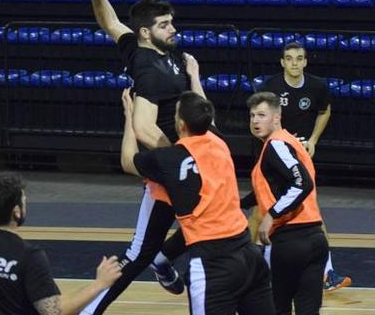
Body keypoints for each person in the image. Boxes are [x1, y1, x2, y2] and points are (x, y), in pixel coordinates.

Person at [71, 0, 207, 314]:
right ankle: (90, 310)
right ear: (147, 32)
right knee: (140, 253)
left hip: (190, 167)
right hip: (173, 174)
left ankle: (162, 262)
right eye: (165, 24)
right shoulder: (148, 71)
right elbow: (145, 129)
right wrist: (178, 161)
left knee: (202, 233)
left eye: (171, 22)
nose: (173, 29)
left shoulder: (154, 51)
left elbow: (112, 23)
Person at [120, 89, 275, 315]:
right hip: (248, 255)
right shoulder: (219, 142)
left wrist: (130, 116)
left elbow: (127, 160)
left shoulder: (169, 159)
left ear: (181, 124)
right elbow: (207, 114)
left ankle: (161, 260)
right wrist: (194, 74)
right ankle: (162, 260)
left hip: (212, 264)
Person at [0, 172, 122, 315]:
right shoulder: (28, 255)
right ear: (16, 212)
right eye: (24, 201)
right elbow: (54, 311)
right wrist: (100, 284)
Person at [257, 42, 350, 291]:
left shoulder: (316, 86)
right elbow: (260, 118)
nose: (294, 63)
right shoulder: (271, 87)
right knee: (262, 210)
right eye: (289, 58)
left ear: (306, 62)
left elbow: (325, 110)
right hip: (276, 154)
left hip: (300, 156)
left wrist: (313, 140)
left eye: (299, 58)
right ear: (282, 62)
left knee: (310, 212)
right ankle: (251, 266)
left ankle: (328, 272)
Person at [248, 91, 329, 315]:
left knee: (277, 308)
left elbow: (301, 183)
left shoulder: (276, 145)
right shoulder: (289, 142)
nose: (255, 121)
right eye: (252, 115)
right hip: (315, 239)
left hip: (291, 240)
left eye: (261, 115)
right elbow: (274, 188)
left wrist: (271, 215)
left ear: (277, 117)